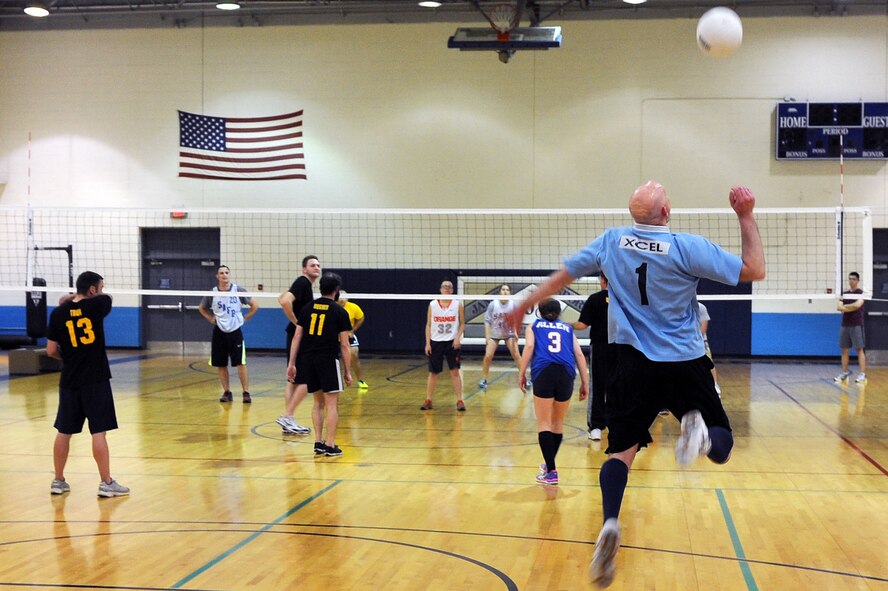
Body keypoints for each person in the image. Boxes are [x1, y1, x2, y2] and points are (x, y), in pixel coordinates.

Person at [508, 181, 765, 588]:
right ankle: (701, 438)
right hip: (683, 361)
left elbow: (561, 277)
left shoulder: (611, 242)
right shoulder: (686, 247)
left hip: (630, 364)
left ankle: (610, 521)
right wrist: (745, 215)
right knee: (723, 444)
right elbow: (755, 270)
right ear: (666, 213)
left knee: (620, 453)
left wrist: (522, 305)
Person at [45, 271, 130, 498]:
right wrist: (76, 297)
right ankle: (106, 483)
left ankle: (58, 481)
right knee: (98, 432)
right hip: (95, 378)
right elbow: (105, 298)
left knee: (64, 431)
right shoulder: (99, 305)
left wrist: (68, 358)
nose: (103, 291)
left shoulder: (58, 313)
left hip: (69, 379)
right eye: (100, 287)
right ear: (93, 289)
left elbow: (51, 350)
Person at [520, 298, 589, 485]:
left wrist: (521, 372)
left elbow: (529, 347)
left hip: (544, 371)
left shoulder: (534, 326)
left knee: (544, 423)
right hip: (566, 373)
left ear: (539, 312)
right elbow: (579, 354)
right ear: (559, 312)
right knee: (557, 423)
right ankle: (550, 465)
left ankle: (551, 471)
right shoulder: (567, 328)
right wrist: (585, 382)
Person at [287, 273, 353, 457]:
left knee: (317, 403)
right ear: (337, 290)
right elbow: (345, 345)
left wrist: (292, 363)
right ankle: (330, 445)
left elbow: (297, 337)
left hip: (308, 360)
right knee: (332, 404)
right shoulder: (340, 312)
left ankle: (318, 442)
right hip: (328, 360)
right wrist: (348, 371)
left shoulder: (307, 308)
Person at [198, 265, 259, 403]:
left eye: (226, 272)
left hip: (235, 330)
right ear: (217, 276)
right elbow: (201, 308)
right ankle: (226, 392)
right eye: (221, 273)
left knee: (240, 362)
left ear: (229, 275)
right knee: (221, 363)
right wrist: (210, 318)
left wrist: (245, 318)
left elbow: (255, 306)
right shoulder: (212, 293)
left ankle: (246, 392)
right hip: (219, 330)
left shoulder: (238, 290)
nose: (224, 275)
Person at [276, 255, 321, 435]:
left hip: (295, 335)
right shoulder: (302, 282)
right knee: (307, 379)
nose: (316, 267)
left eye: (318, 265)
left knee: (293, 379)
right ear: (304, 269)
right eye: (312, 265)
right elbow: (284, 301)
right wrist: (297, 323)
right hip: (299, 336)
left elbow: (282, 297)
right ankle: (288, 416)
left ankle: (289, 421)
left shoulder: (304, 285)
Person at [572, 274, 614, 441]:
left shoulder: (595, 299)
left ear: (603, 280)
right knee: (618, 386)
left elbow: (582, 325)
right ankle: (616, 426)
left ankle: (596, 426)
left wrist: (564, 325)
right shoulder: (624, 298)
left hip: (600, 347)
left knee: (598, 386)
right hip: (621, 347)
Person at [421, 279, 466, 411]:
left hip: (452, 342)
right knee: (433, 373)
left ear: (452, 290)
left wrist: (458, 338)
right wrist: (427, 343)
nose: (446, 288)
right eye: (444, 286)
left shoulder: (457, 305)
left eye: (449, 287)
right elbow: (428, 325)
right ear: (440, 289)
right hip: (436, 342)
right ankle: (428, 400)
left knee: (455, 371)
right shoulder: (433, 304)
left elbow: (462, 323)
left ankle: (460, 401)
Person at [479, 284, 522, 389]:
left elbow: (516, 321)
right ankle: (484, 379)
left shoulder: (513, 305)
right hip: (495, 334)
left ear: (510, 293)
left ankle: (524, 378)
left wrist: (516, 332)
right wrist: (487, 336)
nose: (505, 291)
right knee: (488, 356)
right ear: (499, 292)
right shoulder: (493, 304)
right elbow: (487, 321)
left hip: (509, 334)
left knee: (516, 354)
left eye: (507, 290)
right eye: (503, 289)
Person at [835, 271, 867, 383]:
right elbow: (838, 307)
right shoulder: (844, 294)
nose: (851, 281)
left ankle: (862, 374)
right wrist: (849, 307)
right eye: (850, 279)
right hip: (845, 324)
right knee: (844, 350)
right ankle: (844, 373)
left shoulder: (861, 293)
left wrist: (845, 307)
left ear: (857, 281)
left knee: (859, 349)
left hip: (857, 324)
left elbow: (857, 305)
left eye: (853, 279)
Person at [339, 290, 368, 389]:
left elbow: (361, 318)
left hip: (347, 335)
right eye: (340, 297)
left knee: (354, 354)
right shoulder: (332, 307)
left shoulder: (353, 307)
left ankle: (360, 380)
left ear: (348, 298)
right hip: (334, 336)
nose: (342, 300)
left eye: (344, 297)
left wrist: (352, 330)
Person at [698, 302, 722, 396]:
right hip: (683, 343)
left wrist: (695, 340)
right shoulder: (679, 306)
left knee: (708, 363)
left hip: (699, 342)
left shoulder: (701, 307)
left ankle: (715, 386)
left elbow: (703, 328)